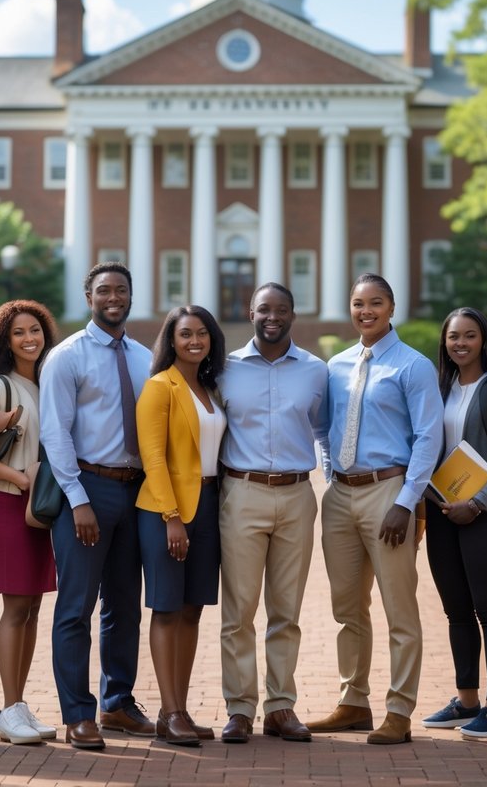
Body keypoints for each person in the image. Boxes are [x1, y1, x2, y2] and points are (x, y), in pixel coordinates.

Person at [307, 274, 442, 745]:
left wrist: (407, 500)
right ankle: (353, 702)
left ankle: (400, 709)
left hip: (390, 494)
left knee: (399, 608)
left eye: (376, 303)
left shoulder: (413, 366)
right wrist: (330, 473)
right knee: (347, 607)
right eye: (359, 304)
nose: (366, 311)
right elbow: (323, 428)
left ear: (391, 307)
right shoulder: (337, 365)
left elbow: (429, 437)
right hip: (340, 496)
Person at [40, 262, 156, 749]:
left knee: (125, 606)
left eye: (121, 290)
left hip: (137, 492)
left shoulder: (146, 357)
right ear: (89, 297)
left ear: (131, 296)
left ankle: (117, 703)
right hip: (87, 489)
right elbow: (54, 432)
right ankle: (77, 714)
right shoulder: (67, 356)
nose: (114, 297)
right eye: (104, 290)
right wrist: (78, 499)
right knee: (76, 606)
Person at [217, 282, 329, 744]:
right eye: (264, 308)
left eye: (281, 309)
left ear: (293, 314)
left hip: (298, 495)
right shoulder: (224, 370)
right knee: (239, 611)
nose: (272, 317)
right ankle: (240, 709)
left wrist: (334, 480)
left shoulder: (316, 371)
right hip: (242, 492)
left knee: (287, 610)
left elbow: (324, 430)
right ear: (250, 311)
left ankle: (280, 706)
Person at [421, 308, 487, 739]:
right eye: (453, 337)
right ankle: (467, 700)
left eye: (469, 336)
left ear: (484, 340)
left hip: (483, 515)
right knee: (456, 611)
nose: (460, 343)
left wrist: (479, 503)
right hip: (443, 513)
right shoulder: (439, 388)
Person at [0, 300, 59, 745]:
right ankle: (9, 707)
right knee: (16, 608)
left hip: (42, 509)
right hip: (11, 507)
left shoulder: (45, 383)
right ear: (5, 340)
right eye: (19, 332)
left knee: (34, 607)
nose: (29, 339)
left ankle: (18, 708)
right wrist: (22, 479)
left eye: (35, 330)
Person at [135, 305, 227, 746]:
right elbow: (153, 458)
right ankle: (169, 712)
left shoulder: (210, 387)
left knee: (192, 609)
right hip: (164, 511)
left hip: (209, 504)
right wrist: (172, 519)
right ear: (171, 340)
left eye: (202, 333)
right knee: (168, 608)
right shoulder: (160, 386)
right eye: (185, 333)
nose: (195, 340)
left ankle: (180, 709)